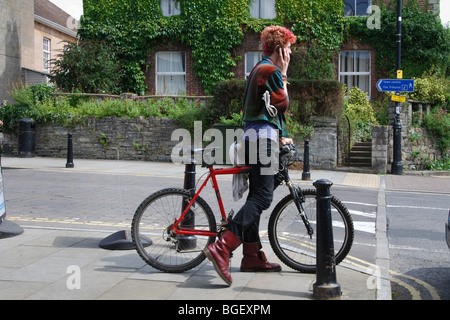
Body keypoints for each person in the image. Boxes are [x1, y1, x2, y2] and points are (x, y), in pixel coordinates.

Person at [203, 25, 297, 286]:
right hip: (261, 142)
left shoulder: (259, 69)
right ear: (279, 49)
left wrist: (282, 135)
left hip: (258, 138)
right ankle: (222, 247)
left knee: (258, 195)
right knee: (263, 197)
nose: (290, 53)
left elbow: (269, 112)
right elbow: (283, 104)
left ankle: (251, 256)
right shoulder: (270, 70)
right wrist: (285, 73)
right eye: (288, 48)